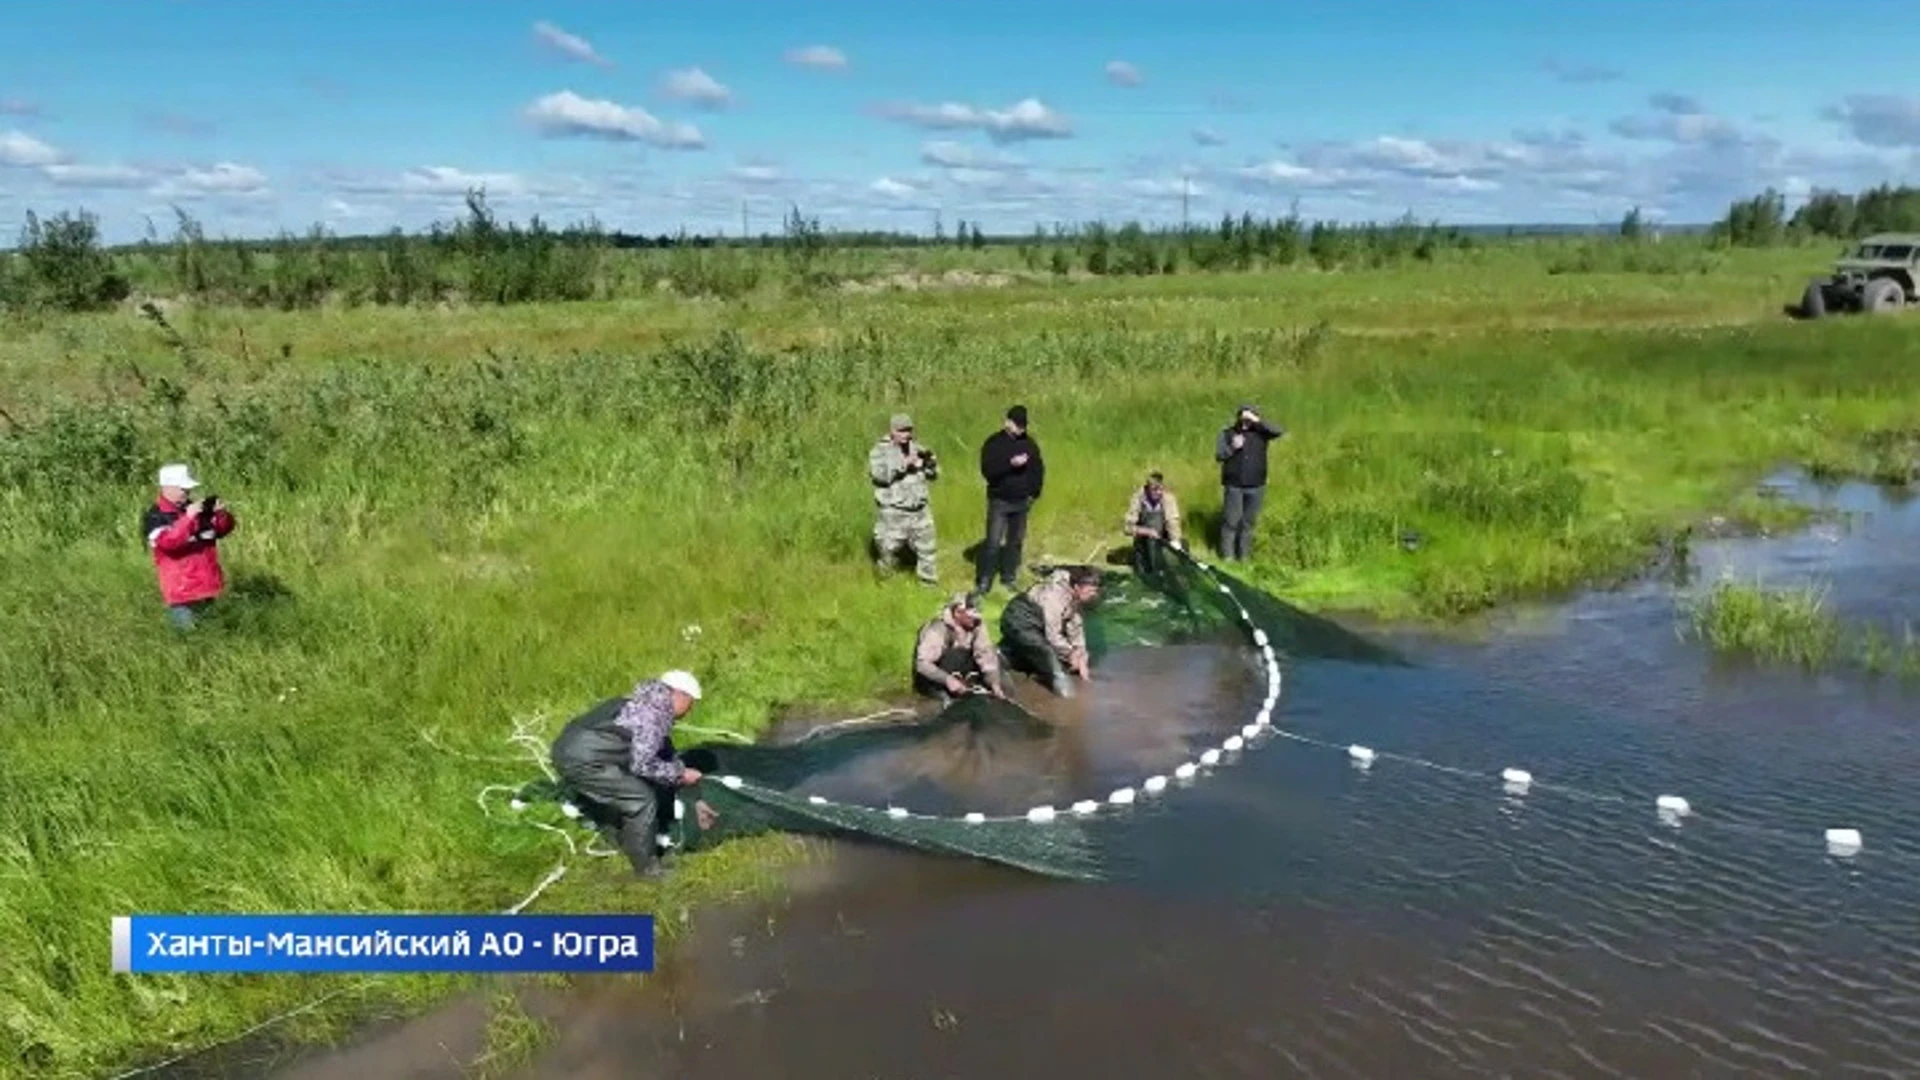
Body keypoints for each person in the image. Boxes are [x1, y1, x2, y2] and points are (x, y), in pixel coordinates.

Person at [549, 670, 714, 878]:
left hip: (569, 748)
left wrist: (676, 772)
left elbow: (657, 750)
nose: (690, 709)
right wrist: (680, 773)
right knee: (641, 800)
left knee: (630, 787)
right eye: (691, 702)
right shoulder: (652, 716)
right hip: (583, 761)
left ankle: (620, 832)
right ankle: (646, 870)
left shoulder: (642, 700)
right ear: (679, 695)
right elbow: (643, 765)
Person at [143, 462, 236, 629]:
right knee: (187, 641)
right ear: (168, 488)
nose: (187, 493)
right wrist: (188, 518)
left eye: (188, 489)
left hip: (206, 586)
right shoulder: (155, 516)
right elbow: (168, 543)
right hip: (182, 592)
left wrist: (220, 514)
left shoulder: (194, 510)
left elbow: (220, 531)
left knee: (211, 635)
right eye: (183, 489)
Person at [999, 566, 1101, 698]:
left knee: (1063, 662)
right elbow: (1052, 636)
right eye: (1090, 591)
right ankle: (1066, 697)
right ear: (1076, 587)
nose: (1094, 594)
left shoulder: (1076, 596)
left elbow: (1075, 623)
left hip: (1040, 623)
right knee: (1047, 656)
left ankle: (1010, 653)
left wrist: (1080, 651)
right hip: (1019, 620)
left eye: (1095, 591)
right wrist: (1071, 653)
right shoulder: (1053, 598)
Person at [977, 404, 1045, 596]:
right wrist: (1010, 465)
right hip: (1000, 501)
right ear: (1007, 422)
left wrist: (1034, 493)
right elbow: (988, 470)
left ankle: (1009, 578)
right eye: (1017, 424)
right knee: (992, 542)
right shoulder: (994, 444)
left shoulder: (1029, 444)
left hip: (1022, 502)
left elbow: (1038, 469)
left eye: (1023, 425)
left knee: (1015, 542)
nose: (1020, 429)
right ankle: (984, 581)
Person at [868, 413, 940, 586]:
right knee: (888, 550)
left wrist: (930, 466)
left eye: (908, 430)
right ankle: (886, 583)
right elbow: (879, 476)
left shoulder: (918, 448)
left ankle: (928, 585)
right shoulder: (880, 451)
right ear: (892, 431)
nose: (905, 434)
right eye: (901, 431)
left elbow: (934, 475)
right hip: (894, 511)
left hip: (920, 510)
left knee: (928, 550)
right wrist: (904, 464)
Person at [1214, 404, 1285, 562]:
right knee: (1231, 522)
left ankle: (1244, 557)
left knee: (1248, 523)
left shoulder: (1262, 433)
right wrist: (1232, 447)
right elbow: (1219, 456)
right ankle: (1228, 557)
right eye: (1243, 417)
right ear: (1238, 418)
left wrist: (1257, 421)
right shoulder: (1227, 433)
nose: (1245, 421)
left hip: (1256, 486)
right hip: (1234, 485)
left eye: (1249, 418)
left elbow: (1279, 431)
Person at [913, 592, 1010, 703]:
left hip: (963, 673)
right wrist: (947, 680)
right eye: (972, 615)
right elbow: (922, 664)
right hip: (936, 677)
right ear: (958, 613)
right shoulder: (938, 628)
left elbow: (985, 653)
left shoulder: (977, 625)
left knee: (999, 663)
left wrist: (994, 683)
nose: (977, 619)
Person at [1123, 471, 1185, 575]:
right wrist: (1147, 531)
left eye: (1161, 489)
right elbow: (1127, 528)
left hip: (1163, 541)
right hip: (1143, 543)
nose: (1158, 492)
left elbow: (1173, 522)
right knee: (1144, 575)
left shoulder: (1168, 498)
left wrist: (1176, 542)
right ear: (1148, 488)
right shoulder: (1137, 498)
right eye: (1155, 489)